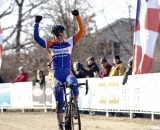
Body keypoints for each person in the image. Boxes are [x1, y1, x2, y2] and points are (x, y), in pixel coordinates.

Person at [34, 9, 84, 130]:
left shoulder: (69, 42)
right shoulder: (50, 45)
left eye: (61, 34)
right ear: (54, 36)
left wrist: (77, 16)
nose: (59, 37)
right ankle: (60, 125)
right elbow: (36, 37)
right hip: (57, 77)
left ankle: (75, 105)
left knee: (75, 85)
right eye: (56, 35)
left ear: (63, 34)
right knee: (59, 102)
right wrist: (36, 23)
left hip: (68, 74)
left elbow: (81, 31)